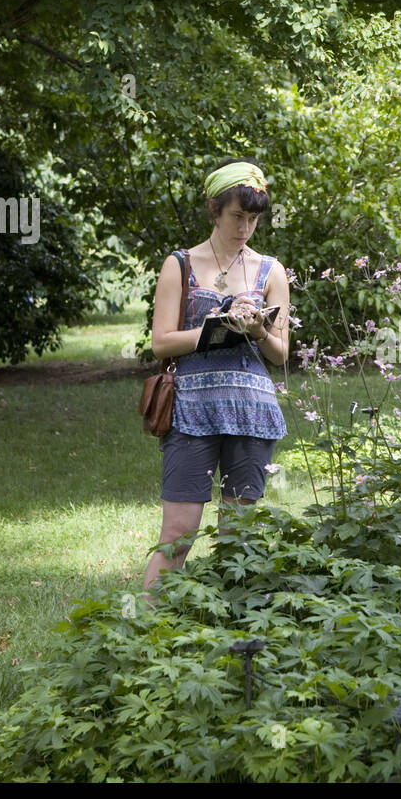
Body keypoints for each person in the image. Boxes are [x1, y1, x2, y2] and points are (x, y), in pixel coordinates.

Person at [144, 158, 290, 594]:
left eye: (253, 219)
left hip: (250, 410)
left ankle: (231, 632)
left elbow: (281, 354)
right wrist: (211, 327)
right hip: (191, 410)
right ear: (214, 209)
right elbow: (161, 343)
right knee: (179, 534)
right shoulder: (181, 265)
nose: (245, 227)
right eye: (237, 216)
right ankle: (145, 630)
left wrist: (259, 329)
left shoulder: (270, 270)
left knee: (239, 535)